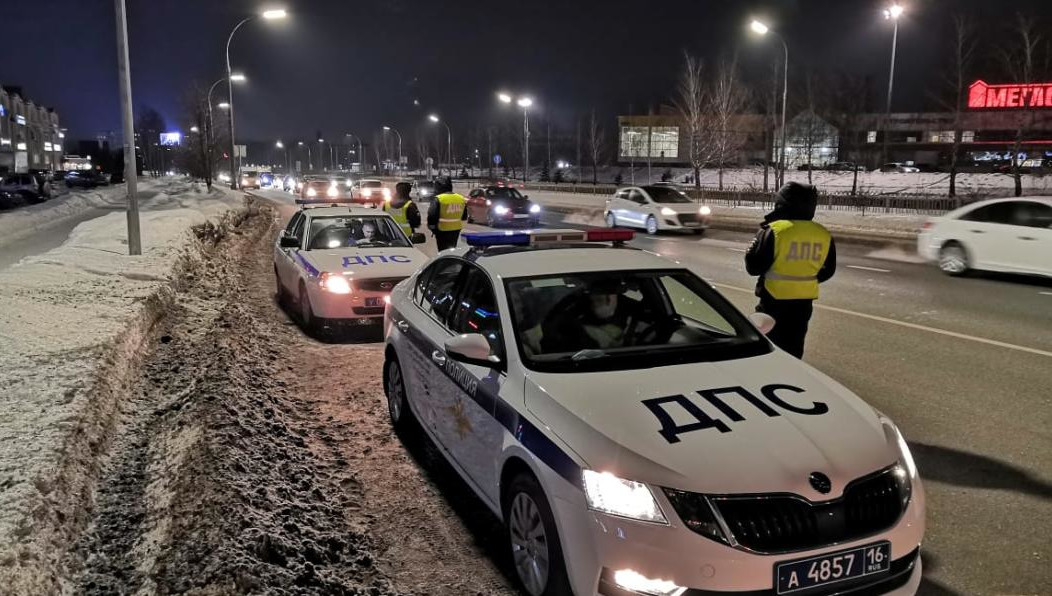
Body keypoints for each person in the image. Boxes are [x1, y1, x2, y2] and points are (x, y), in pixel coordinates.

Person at [745, 182, 836, 359]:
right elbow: (828, 270)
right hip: (803, 304)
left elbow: (753, 267)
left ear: (782, 203)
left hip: (773, 301)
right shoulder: (823, 233)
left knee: (766, 349)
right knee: (794, 349)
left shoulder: (775, 229)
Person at [426, 176, 467, 250]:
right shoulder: (461, 198)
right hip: (456, 229)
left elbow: (432, 215)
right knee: (452, 248)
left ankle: (445, 261)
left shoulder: (438, 199)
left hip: (442, 230)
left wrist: (432, 227)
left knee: (442, 250)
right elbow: (464, 216)